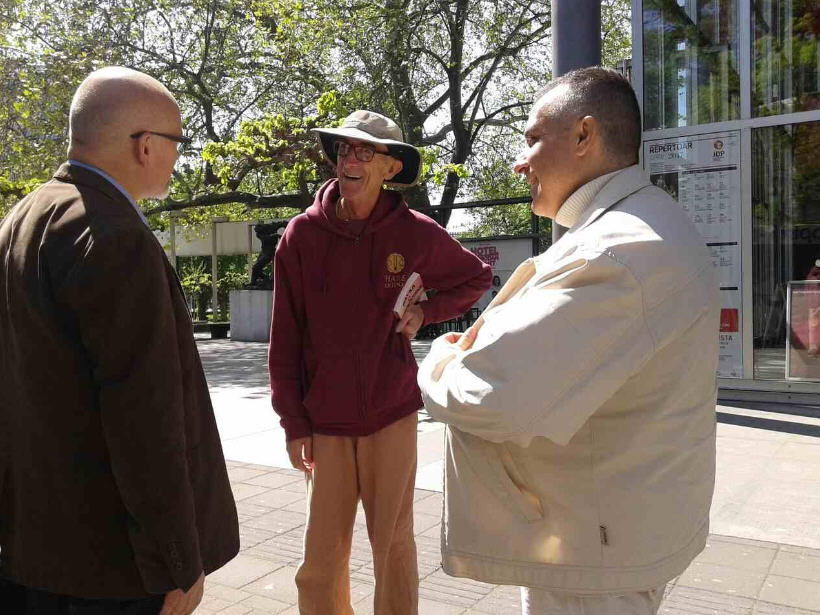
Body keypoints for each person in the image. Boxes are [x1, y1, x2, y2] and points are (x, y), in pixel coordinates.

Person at [418, 67, 719, 614]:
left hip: (593, 560)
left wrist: (441, 358)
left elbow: (493, 398)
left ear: (584, 135)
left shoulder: (614, 253)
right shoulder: (641, 225)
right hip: (606, 531)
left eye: (533, 138)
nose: (520, 161)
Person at [0, 67, 239, 614]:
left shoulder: (21, 219)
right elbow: (145, 419)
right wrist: (178, 559)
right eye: (177, 142)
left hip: (32, 550)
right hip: (110, 568)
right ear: (145, 145)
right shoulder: (114, 236)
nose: (178, 158)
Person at [269, 110, 491, 615]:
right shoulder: (301, 236)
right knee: (320, 562)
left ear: (390, 168)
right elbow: (285, 338)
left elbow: (476, 278)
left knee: (393, 549)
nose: (349, 159)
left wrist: (426, 312)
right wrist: (293, 423)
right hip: (324, 421)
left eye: (364, 151)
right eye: (344, 148)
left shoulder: (415, 233)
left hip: (392, 414)